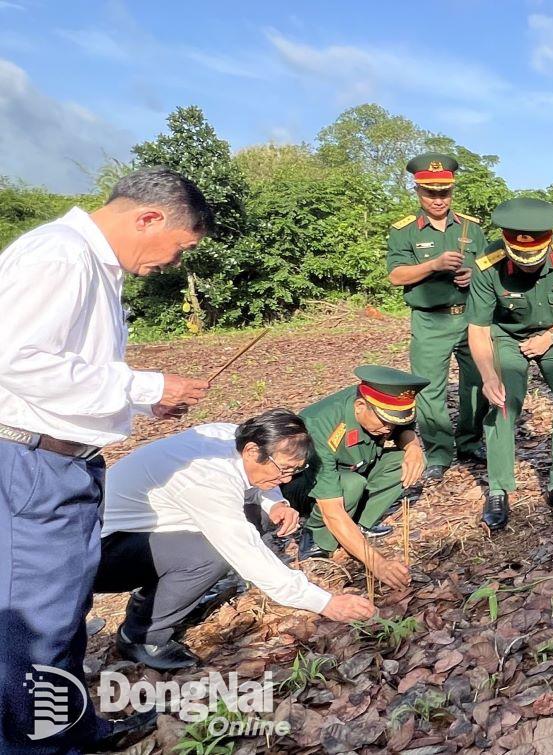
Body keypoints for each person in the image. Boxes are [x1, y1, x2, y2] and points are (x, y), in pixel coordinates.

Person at [0, 168, 212, 753]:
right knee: (37, 622)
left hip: (63, 461)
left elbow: (72, 373)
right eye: (181, 245)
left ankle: (70, 727)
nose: (173, 261)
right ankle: (37, 746)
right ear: (149, 218)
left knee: (65, 609)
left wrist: (145, 401)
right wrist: (144, 386)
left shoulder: (93, 266)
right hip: (31, 462)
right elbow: (15, 359)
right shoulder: (59, 257)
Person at [95, 411, 377, 671]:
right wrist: (325, 603)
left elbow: (257, 489)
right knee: (212, 554)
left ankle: (161, 597)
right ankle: (141, 635)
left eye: (294, 471)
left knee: (257, 517)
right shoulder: (206, 479)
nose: (286, 478)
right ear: (253, 450)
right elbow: (246, 552)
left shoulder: (232, 438)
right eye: (283, 469)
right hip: (99, 552)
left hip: (144, 533)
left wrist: (274, 503)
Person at [466, 197, 553, 532]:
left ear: (550, 240)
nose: (527, 264)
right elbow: (479, 328)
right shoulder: (488, 264)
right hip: (506, 337)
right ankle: (498, 490)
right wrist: (487, 376)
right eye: (520, 257)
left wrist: (552, 336)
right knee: (502, 402)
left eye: (534, 258)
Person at [387, 153, 488, 482]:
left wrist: (473, 274)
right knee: (429, 390)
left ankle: (471, 443)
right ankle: (440, 452)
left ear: (452, 192)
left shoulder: (472, 228)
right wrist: (432, 265)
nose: (438, 199)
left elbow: (489, 267)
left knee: (476, 383)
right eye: (430, 192)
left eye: (444, 192)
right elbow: (396, 275)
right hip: (430, 321)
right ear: (418, 192)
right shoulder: (404, 231)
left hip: (470, 316)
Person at [284, 366, 427, 592]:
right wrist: (377, 564)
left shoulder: (379, 402)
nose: (390, 428)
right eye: (384, 421)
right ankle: (316, 538)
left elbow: (403, 428)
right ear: (360, 406)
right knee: (351, 484)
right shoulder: (320, 425)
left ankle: (358, 526)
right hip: (307, 487)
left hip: (354, 467)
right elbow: (331, 507)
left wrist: (414, 447)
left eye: (395, 422)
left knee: (402, 461)